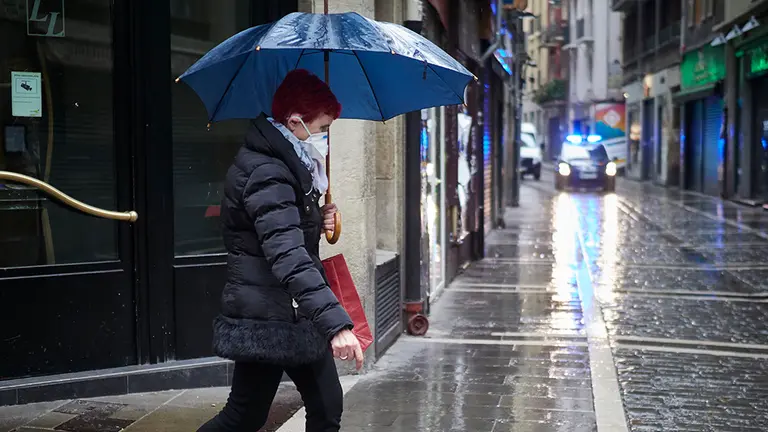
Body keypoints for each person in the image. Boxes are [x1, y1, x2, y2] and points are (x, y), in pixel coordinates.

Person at [198, 69, 363, 432]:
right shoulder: (267, 172)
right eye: (322, 129)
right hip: (268, 312)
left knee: (326, 406)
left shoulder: (289, 164)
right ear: (294, 122)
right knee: (244, 417)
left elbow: (284, 229)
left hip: (295, 309)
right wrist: (337, 326)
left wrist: (316, 216)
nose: (325, 138)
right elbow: (287, 254)